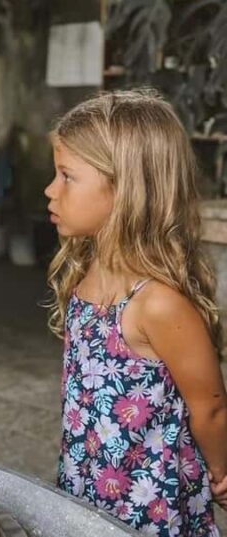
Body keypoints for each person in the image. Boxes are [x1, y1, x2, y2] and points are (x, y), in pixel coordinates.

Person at [45, 90, 227, 537]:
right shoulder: (84, 276)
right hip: (86, 487)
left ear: (126, 189)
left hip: (150, 507)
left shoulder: (158, 304)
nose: (50, 190)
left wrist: (222, 474)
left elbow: (211, 408)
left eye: (67, 176)